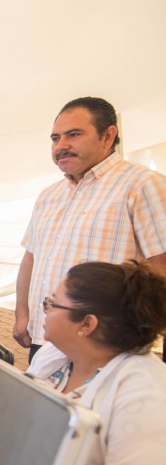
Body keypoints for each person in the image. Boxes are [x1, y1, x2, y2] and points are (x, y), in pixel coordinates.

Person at [26, 261, 166, 465]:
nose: (45, 309)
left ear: (87, 324)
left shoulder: (146, 394)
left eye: (51, 303)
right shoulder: (54, 358)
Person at [14, 97, 166, 361]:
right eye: (55, 138)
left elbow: (160, 266)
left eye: (73, 135)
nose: (61, 146)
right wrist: (22, 314)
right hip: (46, 341)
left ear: (107, 136)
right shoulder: (49, 196)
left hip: (105, 348)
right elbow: (31, 258)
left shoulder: (142, 185)